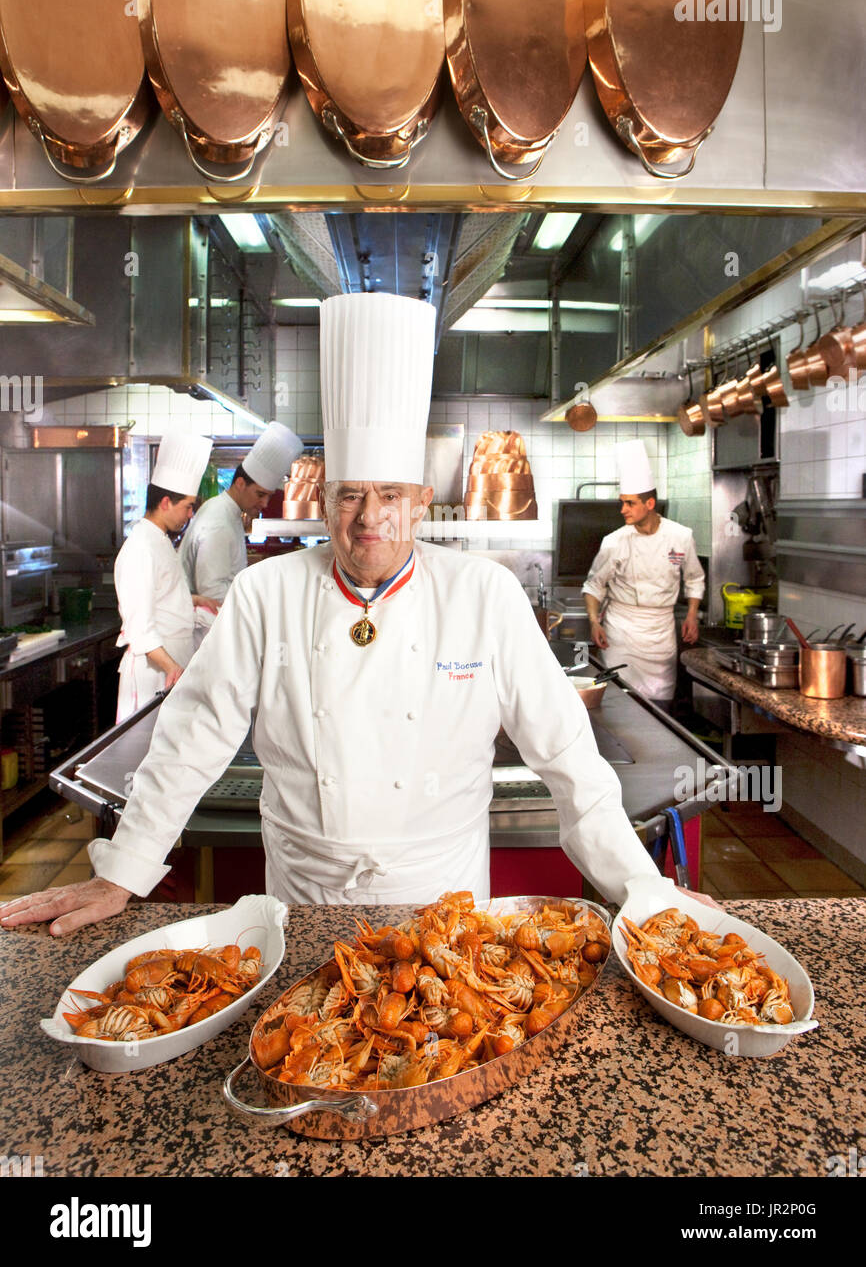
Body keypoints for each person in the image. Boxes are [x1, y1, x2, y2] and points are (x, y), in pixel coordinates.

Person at [0, 295, 714, 937]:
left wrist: (643, 887)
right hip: (306, 903)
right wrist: (123, 869)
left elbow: (569, 758)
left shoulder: (482, 595)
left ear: (421, 498)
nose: (369, 517)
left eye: (390, 495)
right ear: (324, 499)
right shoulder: (265, 595)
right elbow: (191, 737)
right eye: (347, 496)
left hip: (446, 909)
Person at [582, 440, 705, 708]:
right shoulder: (614, 541)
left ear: (649, 503)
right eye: (622, 502)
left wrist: (693, 615)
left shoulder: (681, 536)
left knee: (661, 704)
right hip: (622, 632)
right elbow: (594, 586)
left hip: (661, 633)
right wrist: (594, 621)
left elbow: (695, 578)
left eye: (629, 503)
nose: (622, 510)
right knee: (620, 702)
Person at [113, 430, 219, 721]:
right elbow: (140, 628)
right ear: (165, 503)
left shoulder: (158, 540)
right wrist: (172, 667)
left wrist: (195, 599)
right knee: (143, 757)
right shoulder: (140, 548)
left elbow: (161, 594)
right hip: (153, 674)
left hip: (172, 666)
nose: (189, 515)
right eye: (187, 506)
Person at [179, 422, 303, 603]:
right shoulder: (218, 521)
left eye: (268, 496)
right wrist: (259, 601)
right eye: (260, 494)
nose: (265, 503)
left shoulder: (226, 510)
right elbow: (212, 591)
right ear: (240, 483)